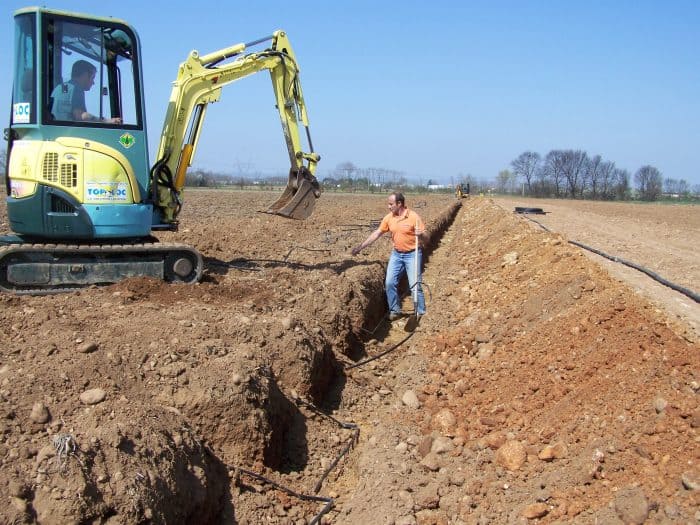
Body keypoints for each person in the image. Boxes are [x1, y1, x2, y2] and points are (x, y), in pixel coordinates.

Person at [351, 192, 427, 320]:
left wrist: (422, 235)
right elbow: (377, 234)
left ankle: (421, 312)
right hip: (397, 255)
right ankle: (395, 310)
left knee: (415, 285)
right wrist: (360, 247)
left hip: (412, 254)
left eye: (391, 204)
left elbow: (427, 239)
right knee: (390, 282)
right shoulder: (389, 218)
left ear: (399, 204)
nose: (388, 206)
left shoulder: (414, 217)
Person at [50, 60, 121, 123]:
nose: (93, 82)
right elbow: (81, 116)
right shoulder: (76, 89)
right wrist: (107, 121)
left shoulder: (59, 88)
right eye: (93, 78)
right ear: (85, 74)